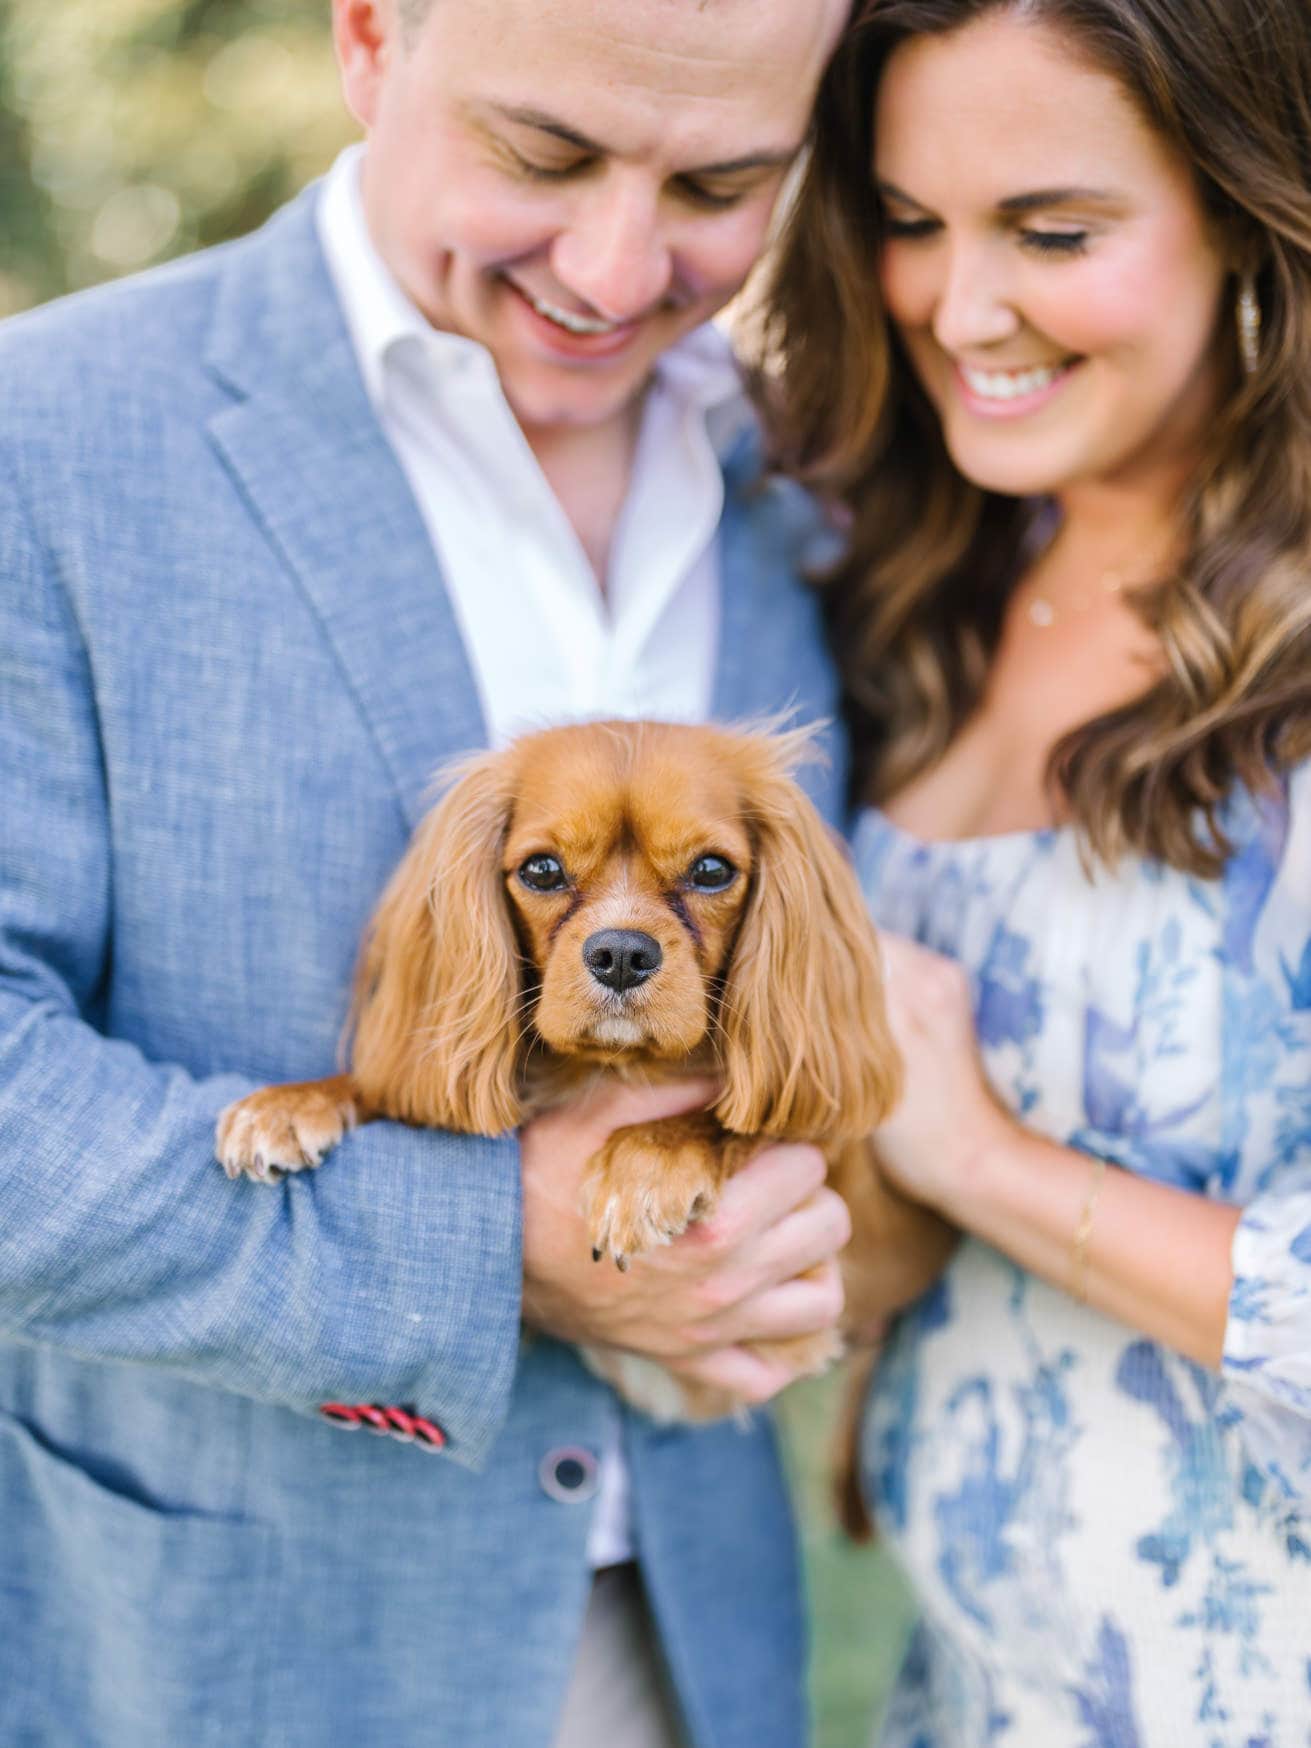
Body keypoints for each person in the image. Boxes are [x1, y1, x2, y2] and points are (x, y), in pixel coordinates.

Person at [0, 1, 860, 1743]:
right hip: (230, 1653)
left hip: (699, 1638)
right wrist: (479, 1246)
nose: (619, 272)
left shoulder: (810, 473)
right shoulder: (48, 436)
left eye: (722, 179)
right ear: (373, 38)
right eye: (543, 155)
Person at [761, 0, 1311, 1740]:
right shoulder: (926, 591)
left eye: (1052, 234)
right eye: (911, 224)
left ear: (1249, 206)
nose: (958, 307)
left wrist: (982, 1162)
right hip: (980, 1689)